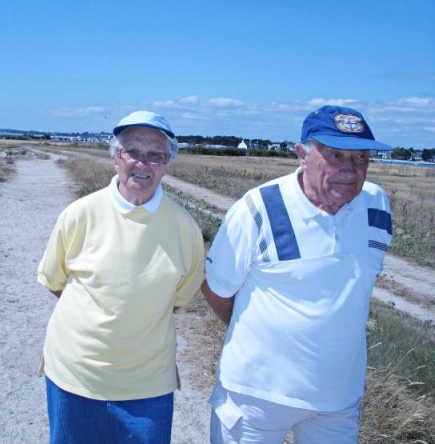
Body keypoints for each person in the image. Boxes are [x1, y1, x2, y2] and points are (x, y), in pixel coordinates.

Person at [201, 105, 393, 444]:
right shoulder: (258, 208)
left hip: (337, 402)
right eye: (335, 155)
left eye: (361, 158)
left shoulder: (376, 205)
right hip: (255, 396)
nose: (350, 170)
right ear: (301, 154)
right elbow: (217, 289)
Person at [38, 110, 205, 443]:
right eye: (132, 152)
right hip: (75, 375)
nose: (142, 164)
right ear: (116, 157)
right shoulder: (79, 214)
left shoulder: (185, 228)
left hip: (148, 385)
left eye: (155, 155)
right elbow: (57, 283)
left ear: (166, 164)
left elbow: (178, 301)